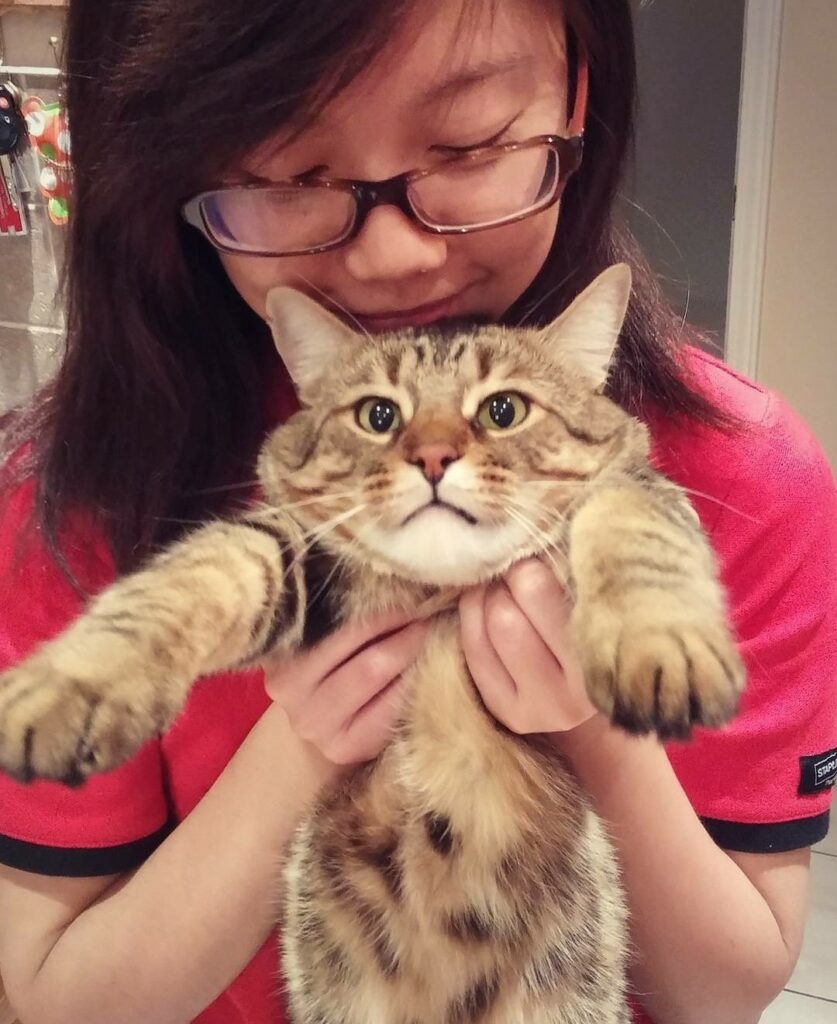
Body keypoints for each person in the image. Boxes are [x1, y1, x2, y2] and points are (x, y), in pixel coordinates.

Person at [0, 1, 834, 1022]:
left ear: (579, 94)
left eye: (470, 142)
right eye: (289, 176)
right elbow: (60, 1000)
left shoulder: (744, 473)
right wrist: (300, 743)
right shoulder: (76, 492)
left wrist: (602, 727)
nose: (394, 258)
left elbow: (727, 991)